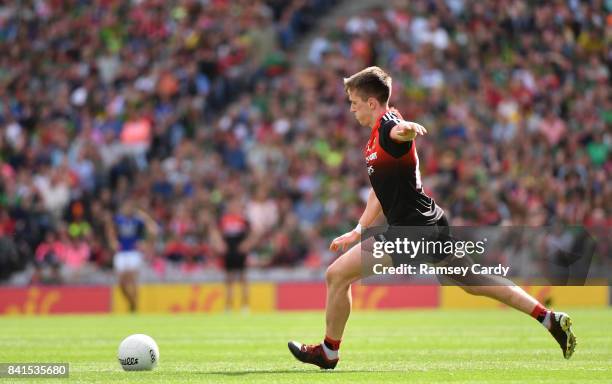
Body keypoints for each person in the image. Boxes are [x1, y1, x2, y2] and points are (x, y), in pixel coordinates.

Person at [288, 67, 576, 369]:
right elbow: (379, 193)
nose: (351, 109)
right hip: (427, 224)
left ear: (372, 103)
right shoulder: (377, 135)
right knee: (473, 280)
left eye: (354, 103)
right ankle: (549, 319)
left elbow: (401, 132)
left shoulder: (389, 127)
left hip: (411, 231)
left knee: (337, 275)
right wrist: (358, 230)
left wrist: (408, 129)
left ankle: (328, 351)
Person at [106, 200, 159, 312]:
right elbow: (110, 228)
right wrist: (112, 241)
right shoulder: (118, 219)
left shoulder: (138, 220)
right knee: (121, 282)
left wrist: (146, 242)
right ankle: (131, 302)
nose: (128, 209)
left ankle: (134, 307)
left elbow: (153, 229)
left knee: (132, 280)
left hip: (134, 252)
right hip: (121, 252)